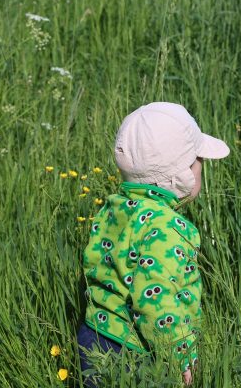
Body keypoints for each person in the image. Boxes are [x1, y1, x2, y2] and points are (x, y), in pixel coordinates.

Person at [77, 102, 230, 386]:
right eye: (199, 162)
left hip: (92, 335)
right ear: (183, 174)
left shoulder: (112, 208)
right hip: (134, 352)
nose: (202, 169)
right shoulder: (169, 228)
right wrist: (181, 355)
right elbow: (153, 297)